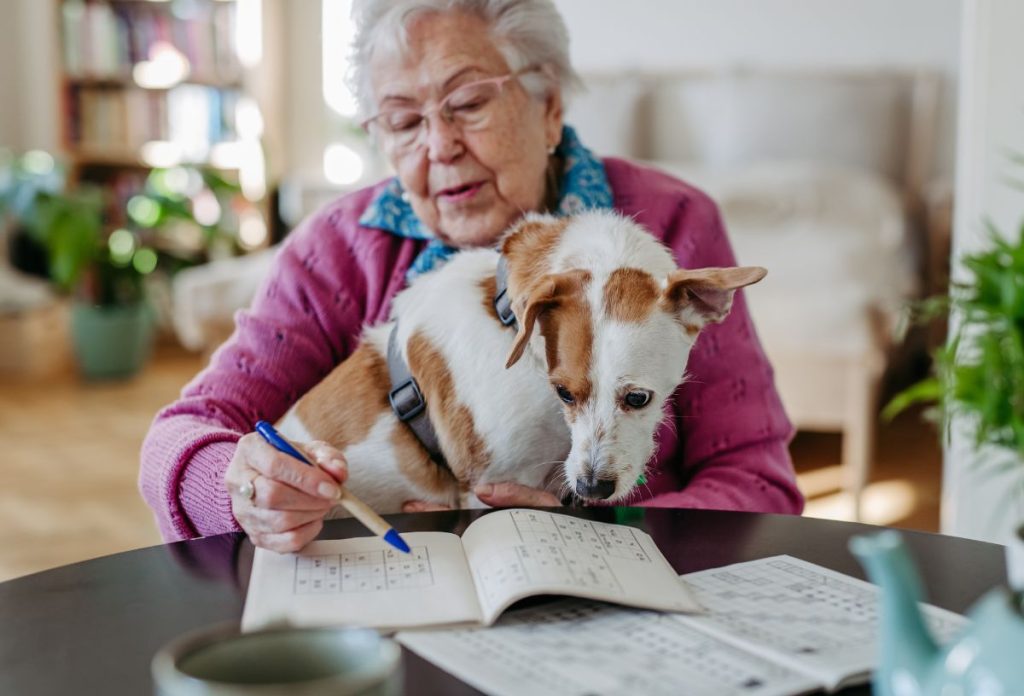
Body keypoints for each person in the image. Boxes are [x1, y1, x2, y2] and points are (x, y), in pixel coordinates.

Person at [140, 0, 804, 552]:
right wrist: (246, 493)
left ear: (548, 107)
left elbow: (759, 484)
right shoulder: (338, 248)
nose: (439, 146)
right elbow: (184, 432)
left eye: (467, 104)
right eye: (403, 121)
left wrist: (604, 534)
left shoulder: (674, 228)